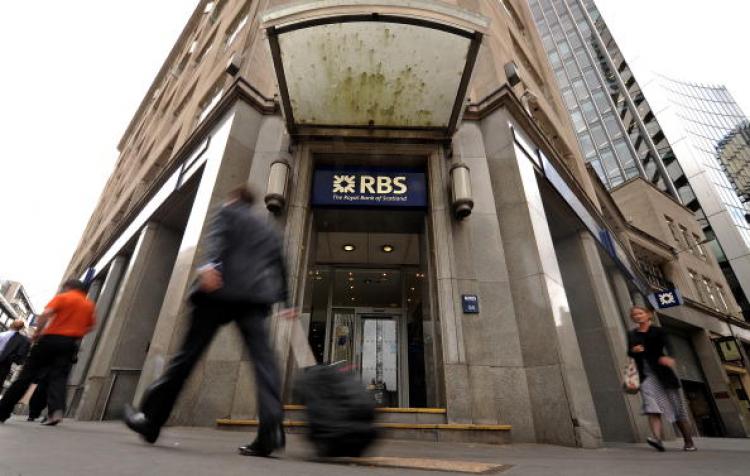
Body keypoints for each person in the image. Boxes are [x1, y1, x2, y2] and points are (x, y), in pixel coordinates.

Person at [124, 184, 295, 457]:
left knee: (186, 358)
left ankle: (151, 420)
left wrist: (210, 266)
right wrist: (287, 303)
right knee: (264, 363)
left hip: (218, 292)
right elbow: (282, 264)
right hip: (254, 299)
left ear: (234, 198)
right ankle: (271, 430)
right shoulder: (268, 231)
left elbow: (216, 238)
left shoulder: (228, 211)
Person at [0, 279, 95, 425]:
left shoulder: (63, 297)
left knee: (26, 376)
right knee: (59, 378)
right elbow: (90, 327)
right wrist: (76, 334)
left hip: (50, 340)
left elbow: (46, 314)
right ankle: (56, 411)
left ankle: (3, 410)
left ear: (69, 287)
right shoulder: (88, 305)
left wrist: (38, 333)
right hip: (69, 343)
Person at [627, 305, 696, 452]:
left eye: (640, 313)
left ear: (648, 315)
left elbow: (670, 347)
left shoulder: (659, 331)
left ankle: (689, 441)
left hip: (663, 374)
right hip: (646, 375)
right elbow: (630, 352)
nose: (637, 316)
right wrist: (634, 350)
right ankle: (657, 439)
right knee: (651, 406)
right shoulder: (633, 334)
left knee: (677, 408)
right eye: (634, 315)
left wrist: (669, 357)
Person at [0, 320, 30, 394]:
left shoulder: (2, 334)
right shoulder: (23, 340)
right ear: (21, 328)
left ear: (11, 324)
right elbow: (19, 359)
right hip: (4, 365)